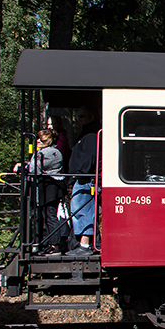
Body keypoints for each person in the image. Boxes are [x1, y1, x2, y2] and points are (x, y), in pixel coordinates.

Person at [14, 129, 64, 251]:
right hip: (52, 186)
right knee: (48, 214)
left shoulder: (45, 153)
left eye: (41, 140)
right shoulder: (53, 152)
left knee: (48, 215)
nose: (38, 141)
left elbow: (34, 168)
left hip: (48, 187)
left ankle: (53, 244)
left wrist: (21, 167)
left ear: (48, 141)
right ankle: (50, 243)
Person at [66, 107, 101, 256]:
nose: (79, 120)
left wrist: (79, 174)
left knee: (83, 210)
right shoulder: (85, 134)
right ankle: (88, 243)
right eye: (77, 117)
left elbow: (89, 156)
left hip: (86, 180)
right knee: (78, 210)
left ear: (91, 117)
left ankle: (85, 245)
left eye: (82, 116)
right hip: (82, 178)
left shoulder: (91, 135)